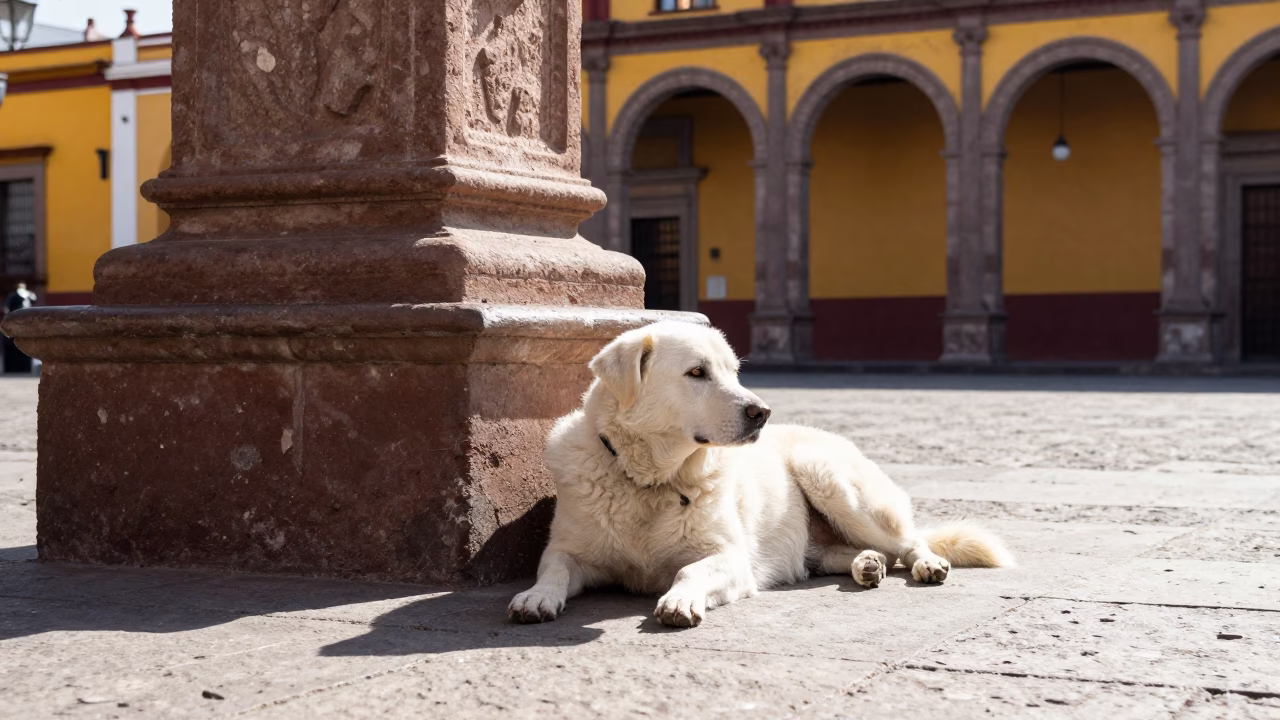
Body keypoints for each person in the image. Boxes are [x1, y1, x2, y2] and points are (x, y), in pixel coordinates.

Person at [2, 283, 36, 374]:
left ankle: (14, 368)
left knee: (15, 347)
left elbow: (7, 308)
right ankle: (24, 368)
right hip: (25, 323)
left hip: (15, 323)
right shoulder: (29, 295)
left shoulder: (13, 296)